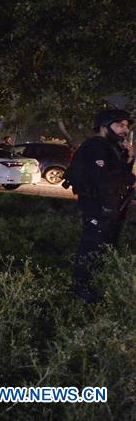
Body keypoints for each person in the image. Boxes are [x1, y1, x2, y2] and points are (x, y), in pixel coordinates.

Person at [64, 109, 135, 303]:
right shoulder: (95, 147)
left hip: (110, 207)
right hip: (96, 206)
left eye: (127, 126)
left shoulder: (111, 147)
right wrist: (131, 178)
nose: (125, 129)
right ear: (104, 126)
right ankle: (82, 290)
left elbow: (117, 175)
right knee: (92, 246)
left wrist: (128, 160)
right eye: (120, 125)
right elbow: (104, 180)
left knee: (106, 246)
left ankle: (97, 284)